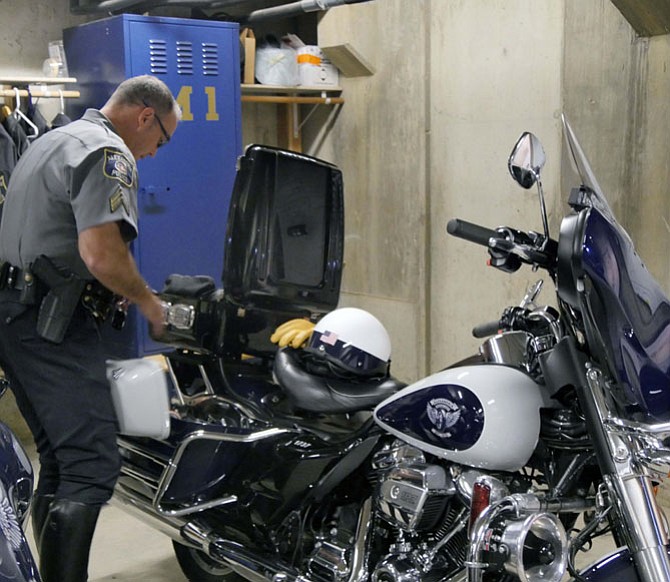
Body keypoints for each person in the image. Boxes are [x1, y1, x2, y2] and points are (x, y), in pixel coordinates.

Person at [0, 75, 180, 582]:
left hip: (17, 316)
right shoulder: (108, 152)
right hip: (51, 322)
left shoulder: (52, 140)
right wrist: (146, 299)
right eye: (160, 140)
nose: (152, 153)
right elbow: (100, 252)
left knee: (59, 459)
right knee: (91, 463)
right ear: (145, 117)